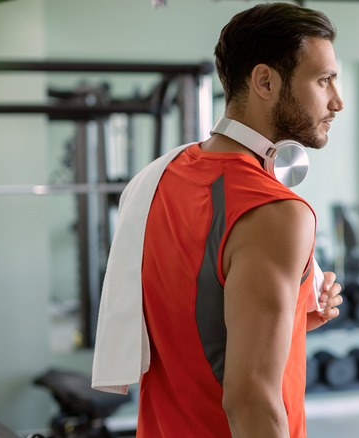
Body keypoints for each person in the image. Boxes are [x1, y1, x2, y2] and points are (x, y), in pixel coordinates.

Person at [92, 3, 344, 437]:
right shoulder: (275, 211)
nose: (336, 101)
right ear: (265, 81)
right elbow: (250, 399)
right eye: (323, 80)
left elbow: (194, 325)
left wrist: (289, 319)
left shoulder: (159, 178)